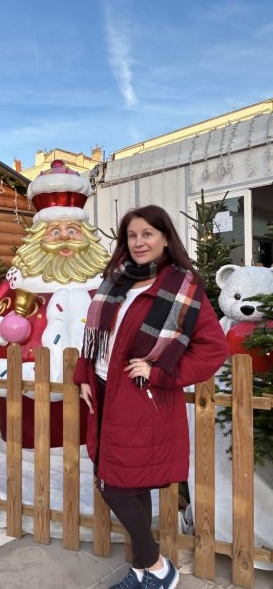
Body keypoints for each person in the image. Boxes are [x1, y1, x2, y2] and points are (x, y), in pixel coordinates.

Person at [74, 205, 229, 589]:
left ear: (164, 238)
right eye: (132, 235)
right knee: (131, 484)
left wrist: (159, 373)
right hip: (104, 391)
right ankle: (144, 571)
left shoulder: (183, 288)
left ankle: (158, 568)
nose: (139, 242)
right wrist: (83, 376)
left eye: (147, 234)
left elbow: (213, 349)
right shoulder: (116, 281)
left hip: (142, 399)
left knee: (114, 485)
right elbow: (95, 337)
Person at [0, 159, 110, 447]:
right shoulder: (16, 282)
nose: (64, 239)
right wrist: (1, 328)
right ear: (37, 238)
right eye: (54, 232)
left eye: (73, 231)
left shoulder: (106, 284)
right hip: (24, 380)